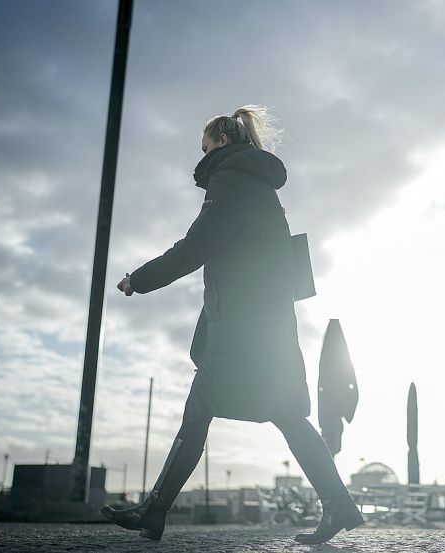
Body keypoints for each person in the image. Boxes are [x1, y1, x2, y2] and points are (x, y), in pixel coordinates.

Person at [101, 105, 363, 544]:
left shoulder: (231, 180)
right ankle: (338, 505)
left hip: (242, 326)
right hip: (268, 323)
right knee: (286, 413)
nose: (202, 157)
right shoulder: (259, 183)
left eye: (205, 148)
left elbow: (195, 246)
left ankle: (154, 510)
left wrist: (139, 280)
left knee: (203, 408)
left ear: (221, 143)